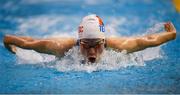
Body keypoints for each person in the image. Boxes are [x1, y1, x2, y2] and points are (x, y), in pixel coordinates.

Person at [3, 14, 176, 63]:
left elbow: (148, 40)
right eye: (86, 45)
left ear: (104, 41)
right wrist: (9, 41)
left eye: (97, 45)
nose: (92, 51)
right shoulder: (60, 47)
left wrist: (170, 35)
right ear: (79, 42)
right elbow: (29, 42)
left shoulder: (119, 46)